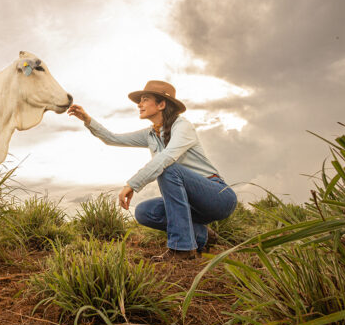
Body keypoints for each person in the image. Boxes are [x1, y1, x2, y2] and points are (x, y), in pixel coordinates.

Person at [67, 80, 237, 261]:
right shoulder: (150, 134)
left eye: (145, 99)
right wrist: (87, 120)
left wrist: (132, 184)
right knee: (145, 211)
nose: (139, 104)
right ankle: (202, 236)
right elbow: (112, 138)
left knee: (167, 168)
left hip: (217, 197)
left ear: (162, 104)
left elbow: (166, 158)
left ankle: (182, 249)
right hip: (190, 204)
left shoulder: (182, 126)